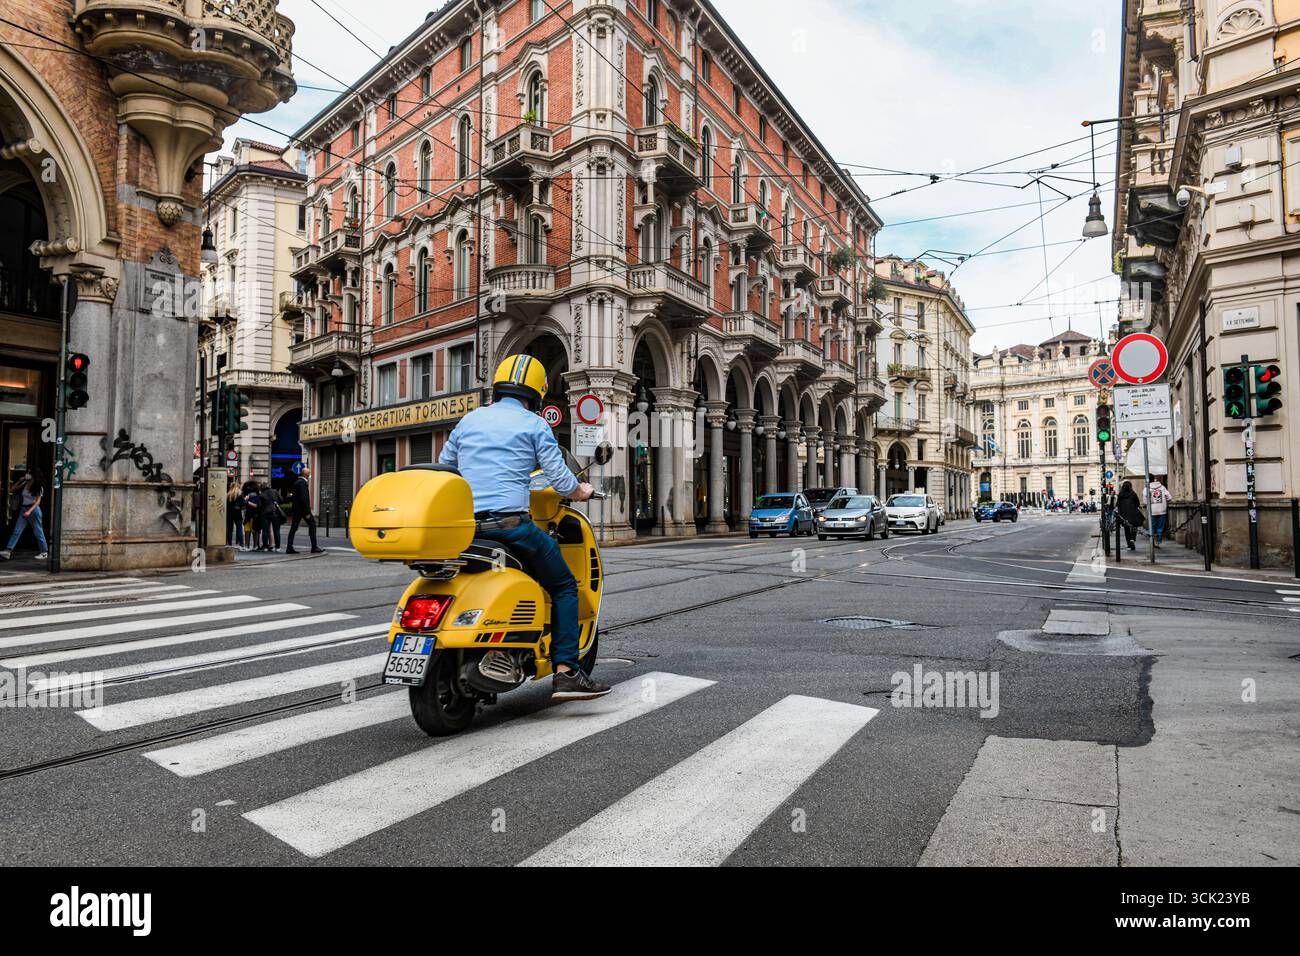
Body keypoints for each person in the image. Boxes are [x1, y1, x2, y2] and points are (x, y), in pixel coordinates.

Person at [439, 353, 608, 702]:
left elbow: (444, 470)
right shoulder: (534, 425)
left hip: (464, 528)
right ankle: (566, 671)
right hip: (510, 526)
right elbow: (562, 481)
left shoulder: (469, 420)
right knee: (563, 585)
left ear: (498, 388)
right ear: (536, 394)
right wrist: (583, 491)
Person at [0, 466, 49, 561]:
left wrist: (29, 511)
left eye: (30, 473)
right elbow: (12, 489)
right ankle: (8, 551)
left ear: (34, 475)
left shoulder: (38, 486)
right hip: (24, 509)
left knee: (38, 531)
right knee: (17, 531)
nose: (27, 474)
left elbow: (38, 501)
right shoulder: (25, 483)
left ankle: (44, 552)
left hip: (33, 510)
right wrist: (19, 481)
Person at [286, 467, 322, 554]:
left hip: (297, 509)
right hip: (302, 510)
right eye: (309, 474)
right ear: (306, 474)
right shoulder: (302, 483)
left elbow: (294, 497)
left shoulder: (296, 482)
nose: (310, 475)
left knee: (293, 528)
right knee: (312, 525)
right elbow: (304, 498)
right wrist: (307, 512)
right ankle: (314, 547)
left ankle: (289, 547)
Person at [1117, 480, 1144, 551]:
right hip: (1133, 513)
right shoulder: (1133, 494)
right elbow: (1137, 503)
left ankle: (1129, 545)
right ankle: (1133, 539)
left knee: (1126, 529)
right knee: (1134, 526)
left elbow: (1118, 505)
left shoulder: (1120, 495)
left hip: (1124, 515)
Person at [259, 482, 283, 551]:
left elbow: (259, 505)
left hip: (265, 513)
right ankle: (277, 547)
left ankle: (265, 547)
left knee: (265, 531)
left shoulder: (262, 494)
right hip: (275, 512)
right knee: (276, 530)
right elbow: (281, 500)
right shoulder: (275, 491)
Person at [1147, 477, 1169, 547]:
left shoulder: (1146, 488)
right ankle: (1158, 541)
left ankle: (1152, 541)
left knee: (1152, 527)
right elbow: (1169, 497)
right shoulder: (1162, 487)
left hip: (1152, 511)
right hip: (1162, 510)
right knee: (1160, 527)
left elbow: (1145, 500)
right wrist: (1164, 502)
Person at [226, 478, 245, 548]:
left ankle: (229, 543)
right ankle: (241, 544)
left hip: (229, 513)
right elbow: (243, 505)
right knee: (239, 528)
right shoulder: (240, 494)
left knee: (229, 529)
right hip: (237, 512)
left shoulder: (228, 495)